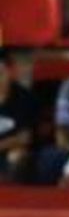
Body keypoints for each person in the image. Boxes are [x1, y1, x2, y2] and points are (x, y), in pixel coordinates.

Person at [0, 49, 38, 184]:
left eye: (0, 73)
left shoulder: (24, 99)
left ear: (11, 72)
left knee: (17, 156)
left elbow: (25, 137)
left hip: (9, 153)